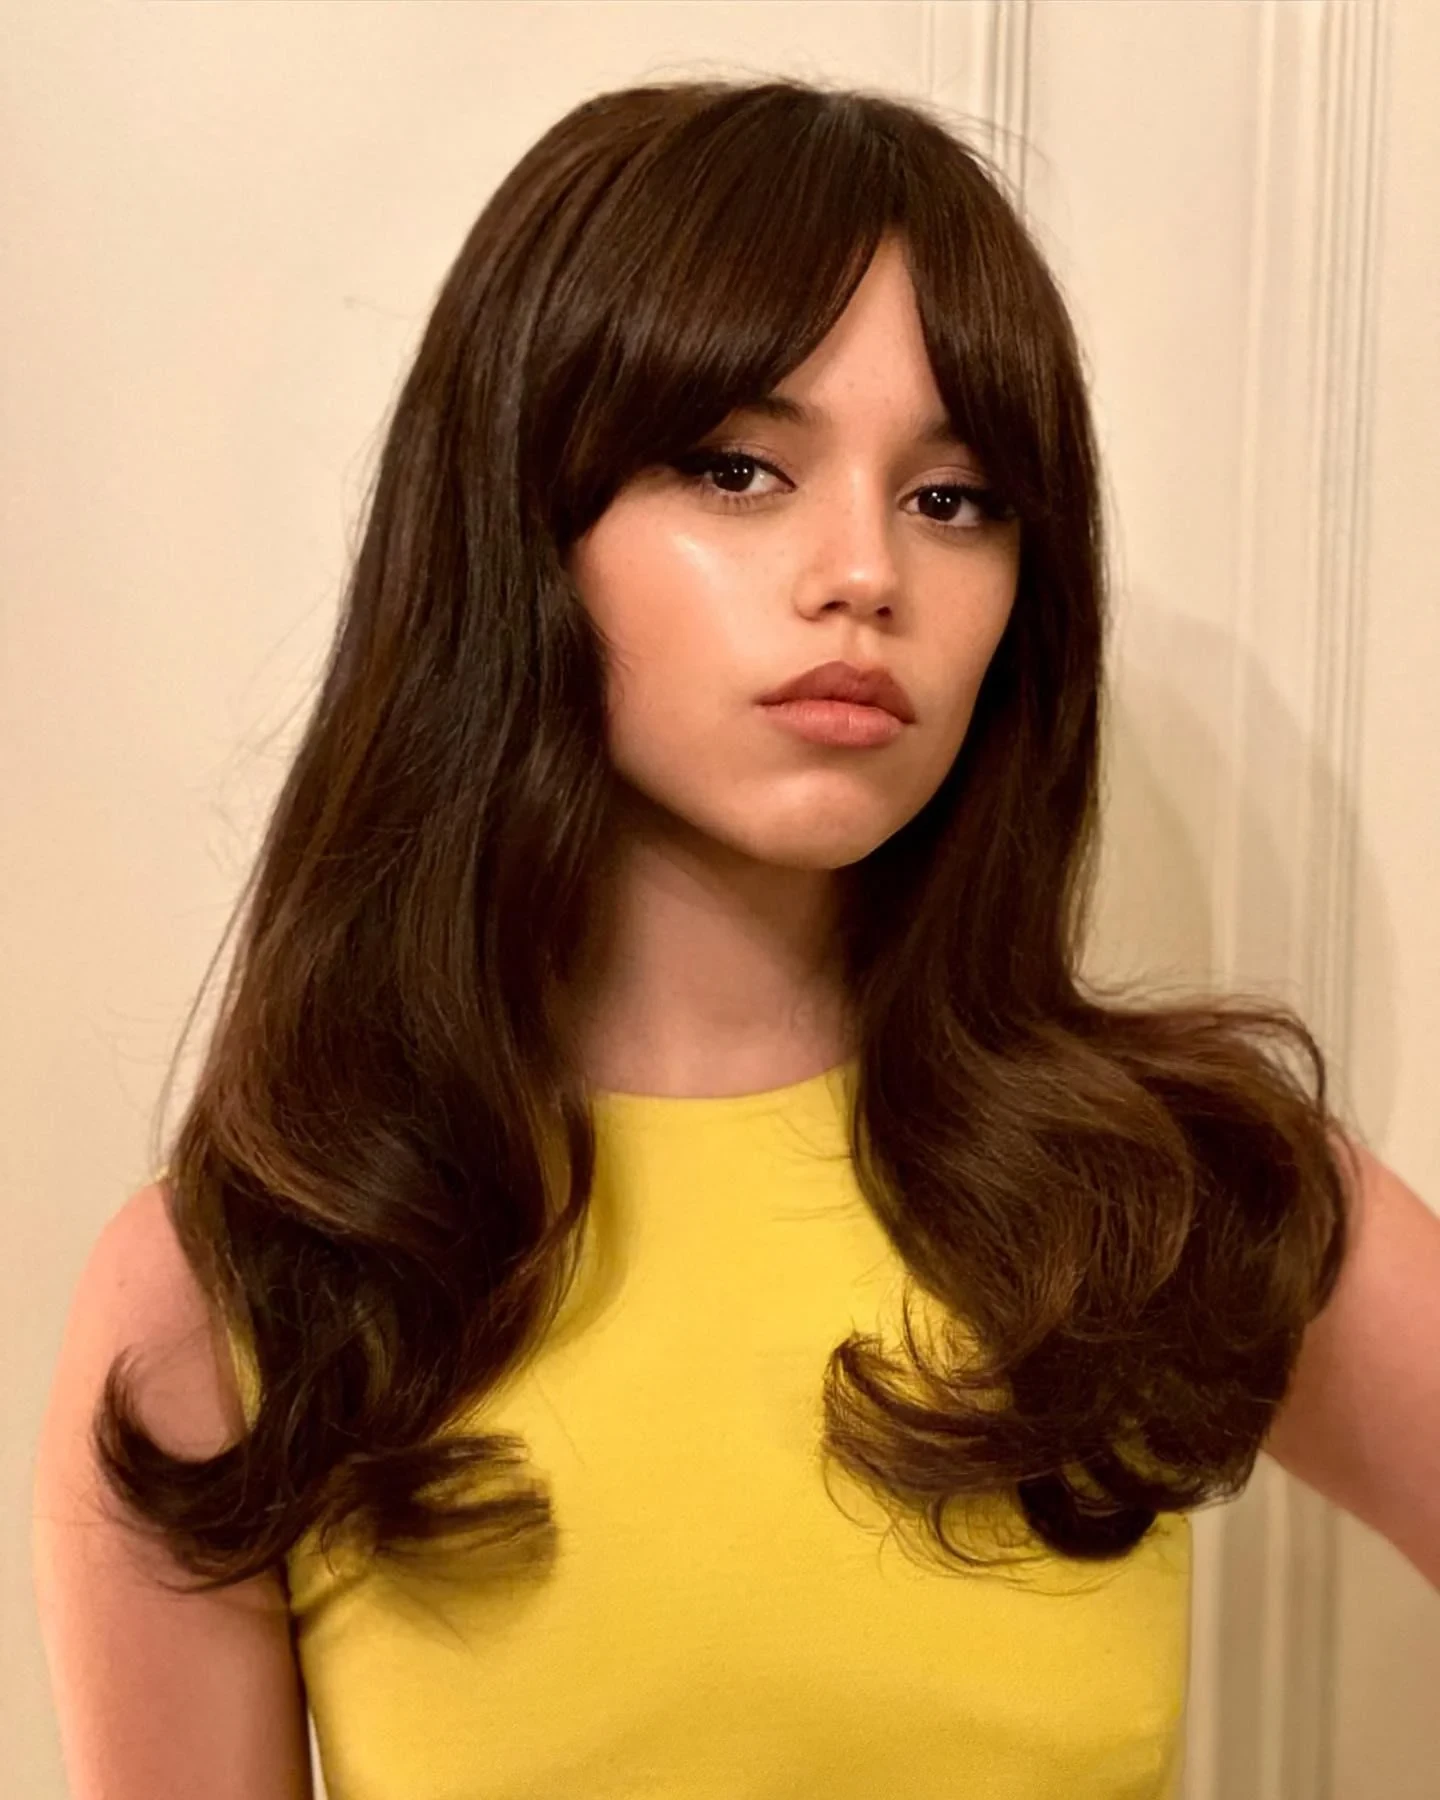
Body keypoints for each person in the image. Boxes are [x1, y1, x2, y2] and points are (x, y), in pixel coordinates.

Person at [31, 74, 1439, 1800]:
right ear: (521, 526)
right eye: (736, 468)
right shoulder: (245, 1288)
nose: (864, 572)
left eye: (955, 498)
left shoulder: (1180, 1195)